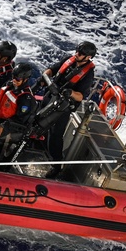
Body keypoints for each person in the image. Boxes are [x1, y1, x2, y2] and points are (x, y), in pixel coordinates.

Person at [38, 41, 97, 175]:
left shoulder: (88, 74)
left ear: (88, 57)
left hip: (62, 107)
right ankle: (40, 145)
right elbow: (51, 70)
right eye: (77, 51)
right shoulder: (69, 60)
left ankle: (56, 166)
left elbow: (81, 96)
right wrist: (47, 79)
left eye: (81, 53)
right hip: (50, 97)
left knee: (55, 135)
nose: (77, 54)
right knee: (37, 121)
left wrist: (69, 93)